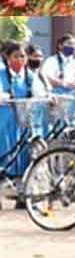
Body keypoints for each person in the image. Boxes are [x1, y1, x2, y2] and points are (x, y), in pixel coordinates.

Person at [0, 40, 44, 189]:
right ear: (7, 58)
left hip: (23, 122)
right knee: (5, 152)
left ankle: (23, 192)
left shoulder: (30, 76)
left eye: (23, 56)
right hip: (4, 123)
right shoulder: (1, 75)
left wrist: (49, 97)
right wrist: (5, 97)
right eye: (16, 56)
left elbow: (40, 92)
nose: (20, 60)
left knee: (25, 154)